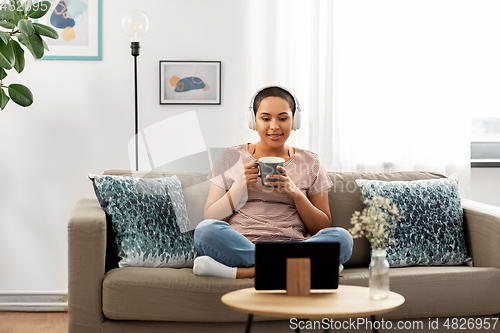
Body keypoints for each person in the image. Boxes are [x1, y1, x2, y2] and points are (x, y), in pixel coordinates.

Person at [193, 86, 353, 279]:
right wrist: (239, 186)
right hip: (242, 243)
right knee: (205, 231)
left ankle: (245, 272)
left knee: (342, 238)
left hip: (295, 243)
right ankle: (305, 267)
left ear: (295, 121)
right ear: (253, 121)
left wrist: (295, 193)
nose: (274, 126)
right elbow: (211, 218)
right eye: (266, 118)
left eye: (283, 118)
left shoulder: (310, 162)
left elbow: (322, 227)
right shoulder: (228, 157)